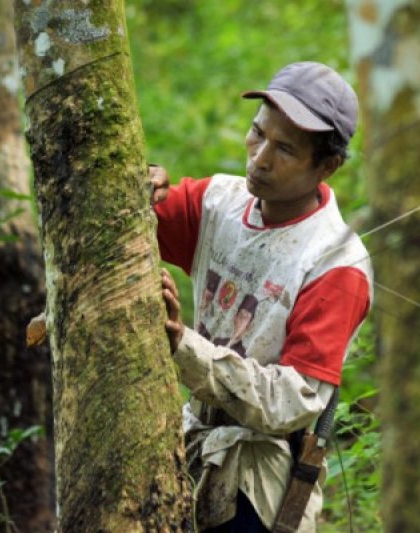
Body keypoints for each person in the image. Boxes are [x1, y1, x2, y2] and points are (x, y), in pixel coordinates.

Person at [150, 62, 372, 532]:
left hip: (261, 479)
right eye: (258, 134)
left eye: (285, 149)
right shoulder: (218, 204)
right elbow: (139, 219)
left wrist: (182, 344)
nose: (260, 158)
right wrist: (139, 183)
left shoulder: (337, 265)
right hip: (188, 451)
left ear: (326, 166)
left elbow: (290, 402)